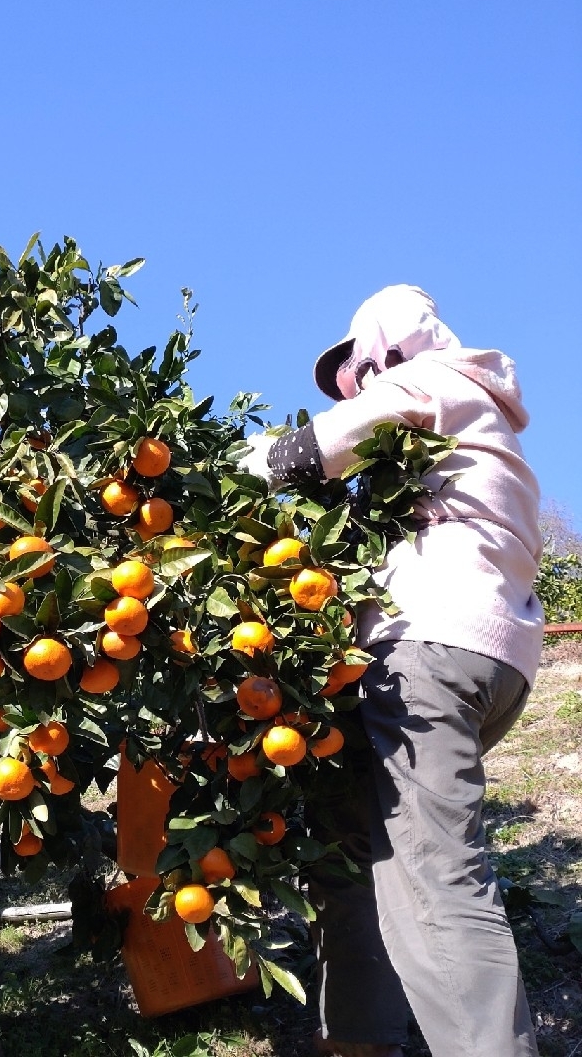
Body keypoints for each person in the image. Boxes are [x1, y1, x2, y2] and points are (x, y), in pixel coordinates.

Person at [239, 285, 544, 1057]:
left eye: (353, 367)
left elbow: (304, 452)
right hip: (483, 657)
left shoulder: (428, 382)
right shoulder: (478, 422)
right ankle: (359, 1040)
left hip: (425, 654)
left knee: (439, 880)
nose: (350, 385)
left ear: (384, 347)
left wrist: (207, 479)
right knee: (351, 853)